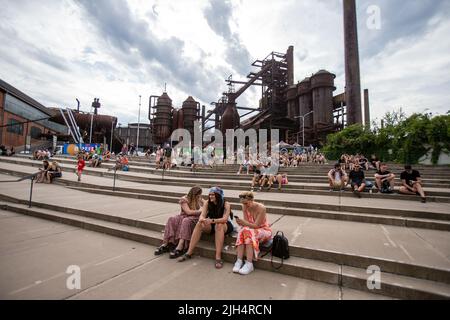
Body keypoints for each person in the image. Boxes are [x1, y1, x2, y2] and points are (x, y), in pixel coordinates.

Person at [178, 187, 233, 269]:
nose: (210, 197)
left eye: (213, 195)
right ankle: (189, 253)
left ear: (218, 195)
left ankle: (218, 257)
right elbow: (202, 216)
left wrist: (211, 220)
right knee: (199, 223)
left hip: (224, 225)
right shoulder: (207, 203)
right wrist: (202, 220)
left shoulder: (226, 204)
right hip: (211, 223)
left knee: (219, 225)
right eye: (210, 195)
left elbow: (224, 219)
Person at [154, 186, 204, 258]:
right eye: (197, 194)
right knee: (171, 219)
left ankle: (180, 245)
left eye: (199, 194)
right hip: (185, 215)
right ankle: (166, 244)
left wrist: (204, 208)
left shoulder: (199, 198)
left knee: (185, 221)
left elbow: (206, 205)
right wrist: (200, 211)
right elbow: (188, 212)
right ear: (193, 194)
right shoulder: (184, 199)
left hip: (194, 218)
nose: (199, 196)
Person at [233, 192, 272, 275]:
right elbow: (247, 223)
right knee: (243, 230)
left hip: (264, 230)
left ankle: (249, 263)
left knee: (248, 232)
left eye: (246, 203)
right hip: (252, 229)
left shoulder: (261, 208)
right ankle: (239, 260)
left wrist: (245, 223)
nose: (245, 205)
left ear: (252, 200)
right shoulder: (244, 206)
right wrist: (241, 223)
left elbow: (256, 225)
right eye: (243, 203)